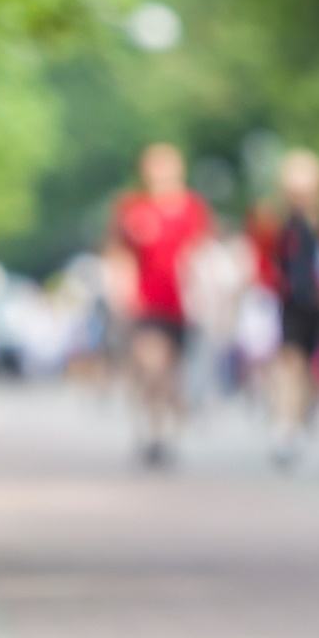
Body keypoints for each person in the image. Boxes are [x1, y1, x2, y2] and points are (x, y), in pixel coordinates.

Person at [107, 144, 212, 467]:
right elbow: (119, 254)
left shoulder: (193, 208)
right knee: (152, 365)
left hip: (183, 305)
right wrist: (120, 294)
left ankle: (166, 431)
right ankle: (152, 431)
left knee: (172, 374)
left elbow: (203, 255)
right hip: (146, 304)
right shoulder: (131, 208)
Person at [265, 150, 319, 466]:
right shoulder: (273, 220)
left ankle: (306, 420)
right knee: (289, 364)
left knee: (315, 369)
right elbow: (262, 261)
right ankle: (286, 427)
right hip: (287, 303)